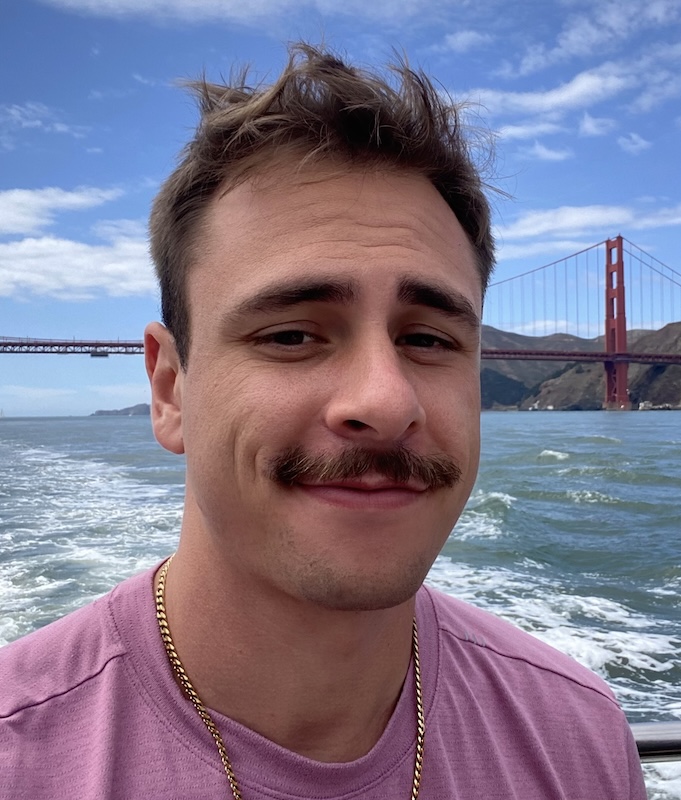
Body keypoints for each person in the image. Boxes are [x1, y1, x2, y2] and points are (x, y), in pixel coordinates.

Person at [0, 44, 647, 799]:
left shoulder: (578, 739)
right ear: (170, 389)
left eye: (428, 340)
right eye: (290, 335)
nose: (385, 401)